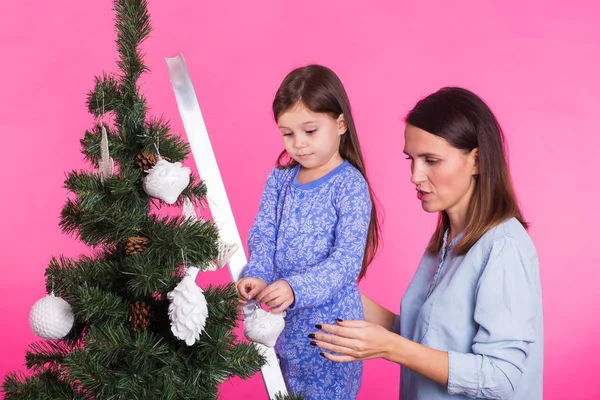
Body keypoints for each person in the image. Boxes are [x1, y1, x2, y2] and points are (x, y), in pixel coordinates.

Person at [310, 87, 544, 399]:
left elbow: (500, 377)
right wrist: (324, 288)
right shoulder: (446, 241)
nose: (415, 175)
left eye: (431, 160)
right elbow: (423, 337)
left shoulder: (503, 247)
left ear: (476, 160)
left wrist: (390, 348)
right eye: (412, 159)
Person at [236, 64, 381, 399]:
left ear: (340, 123)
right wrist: (257, 274)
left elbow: (345, 262)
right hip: (282, 329)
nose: (298, 144)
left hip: (329, 335)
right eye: (288, 134)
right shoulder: (280, 180)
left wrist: (294, 287)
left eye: (310, 131)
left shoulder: (349, 186)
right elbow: (263, 234)